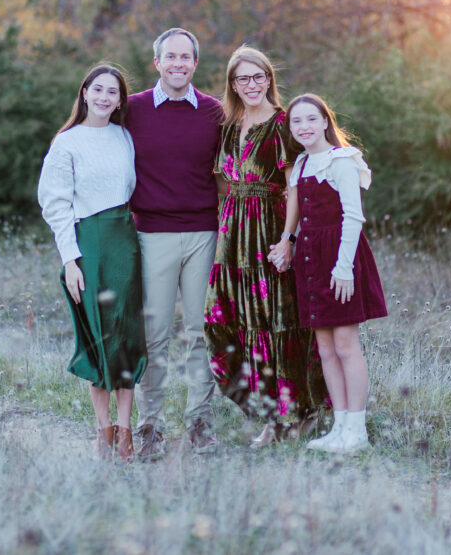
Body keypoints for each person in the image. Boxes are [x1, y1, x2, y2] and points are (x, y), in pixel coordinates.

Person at [204, 46, 327, 448]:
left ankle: (292, 415)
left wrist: (288, 239)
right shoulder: (227, 126)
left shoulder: (280, 123)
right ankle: (264, 411)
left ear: (269, 80)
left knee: (277, 324)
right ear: (233, 84)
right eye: (243, 79)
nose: (252, 85)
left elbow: (294, 186)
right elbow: (222, 181)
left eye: (259, 77)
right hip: (233, 234)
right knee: (225, 319)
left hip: (270, 229)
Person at [37, 64, 147, 462]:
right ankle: (102, 433)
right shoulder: (66, 143)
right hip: (89, 243)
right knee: (97, 336)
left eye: (112, 92)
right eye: (97, 89)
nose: (104, 97)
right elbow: (56, 204)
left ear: (121, 100)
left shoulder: (123, 137)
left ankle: (125, 431)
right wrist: (71, 259)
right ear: (84, 93)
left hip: (124, 241)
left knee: (126, 334)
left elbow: (132, 189)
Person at [125, 28, 225, 459]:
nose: (178, 63)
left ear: (195, 63)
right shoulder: (133, 110)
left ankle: (200, 422)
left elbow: (233, 170)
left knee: (202, 332)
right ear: (157, 63)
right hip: (152, 234)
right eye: (171, 56)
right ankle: (150, 427)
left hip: (204, 233)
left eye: (186, 57)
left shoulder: (214, 113)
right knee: (155, 335)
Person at [280, 93, 388, 454]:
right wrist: (288, 244)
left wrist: (344, 269)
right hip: (310, 259)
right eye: (297, 122)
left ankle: (357, 431)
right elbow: (299, 217)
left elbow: (353, 217)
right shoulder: (301, 164)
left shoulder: (342, 161)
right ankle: (339, 426)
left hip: (339, 257)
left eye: (311, 119)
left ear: (325, 121)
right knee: (325, 348)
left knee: (345, 345)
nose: (304, 127)